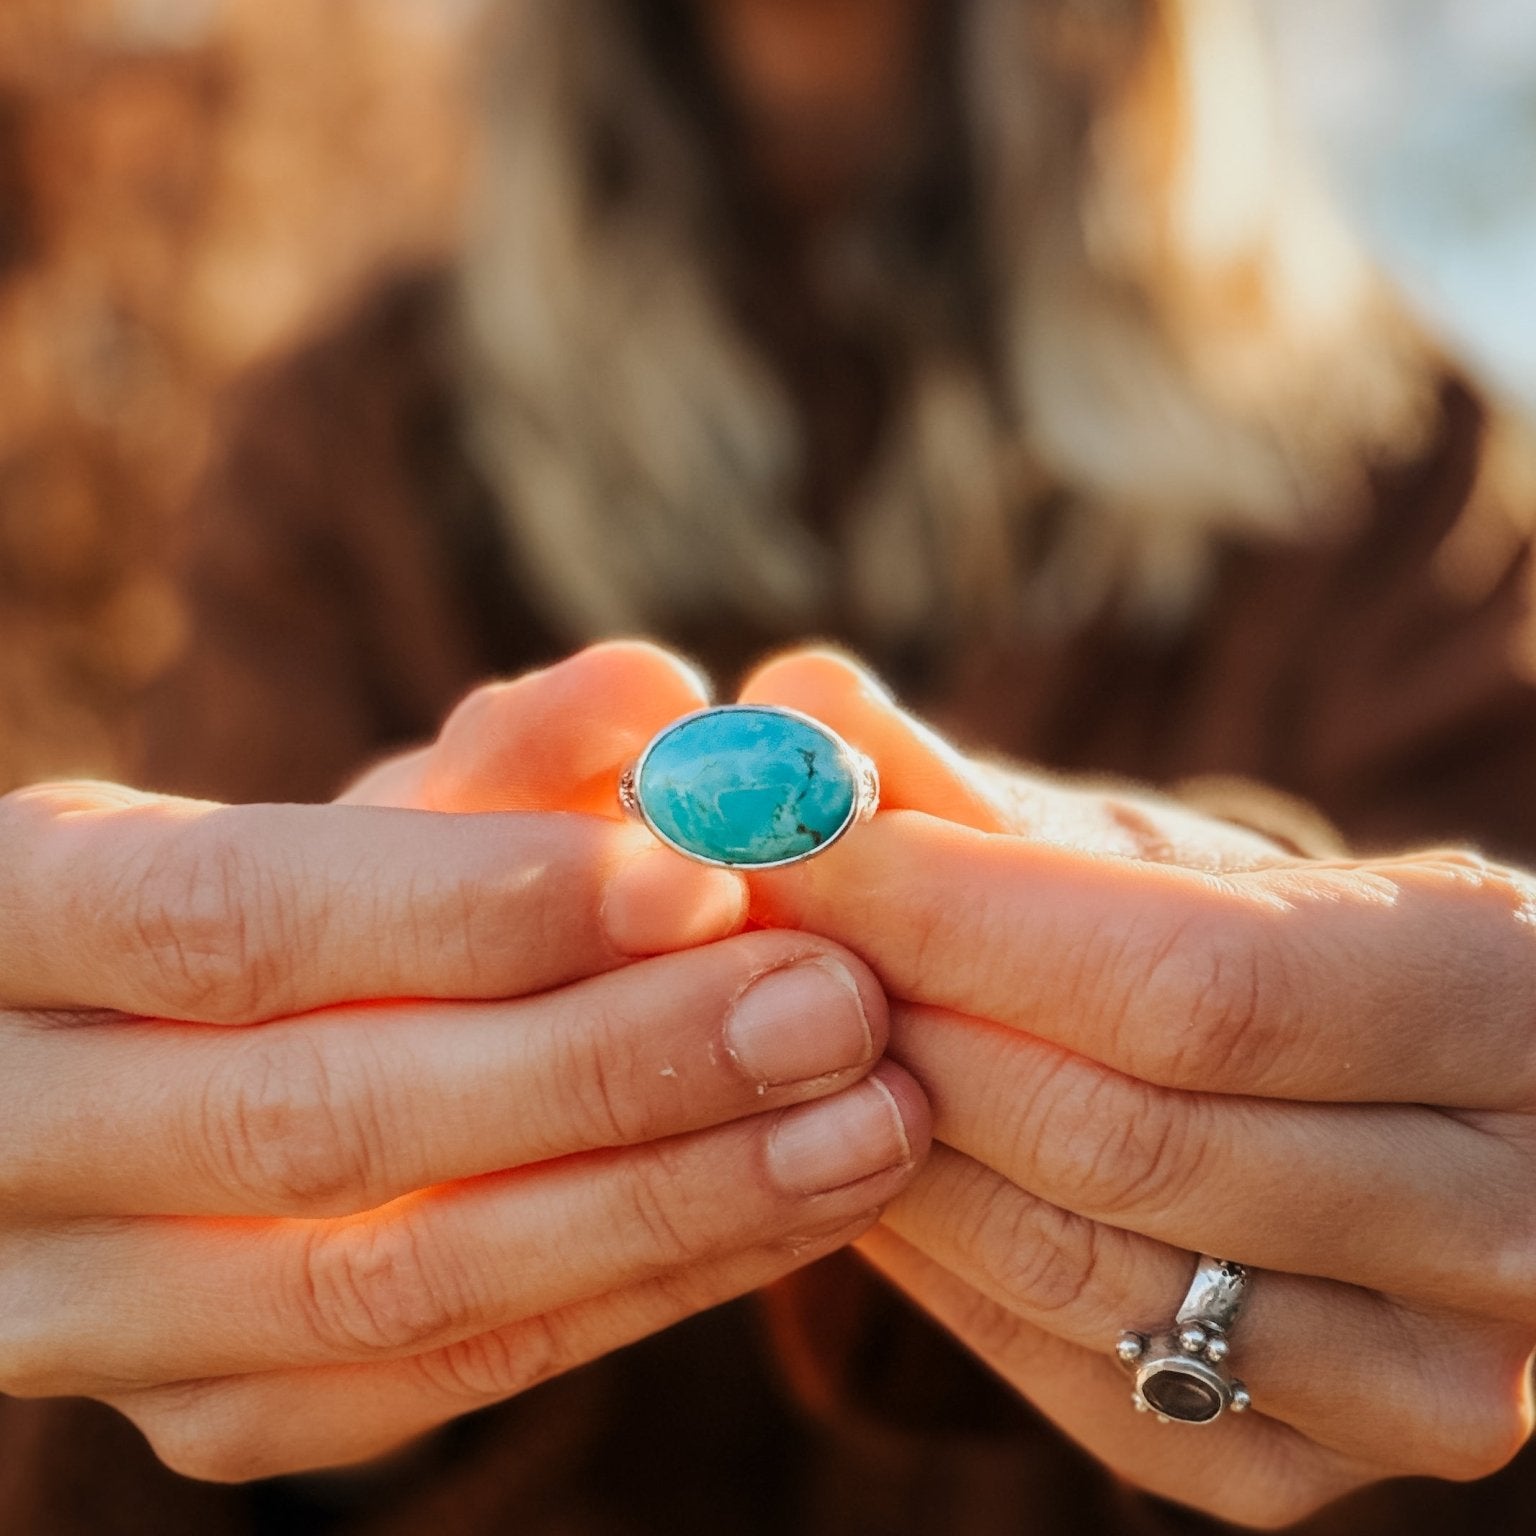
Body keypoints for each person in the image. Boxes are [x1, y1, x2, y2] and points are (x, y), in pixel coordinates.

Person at [2, 0, 1535, 1531]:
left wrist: (1342, 1130)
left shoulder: (1400, 470)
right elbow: (150, 1311)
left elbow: (1485, 1086)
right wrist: (291, 1298)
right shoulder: (350, 447)